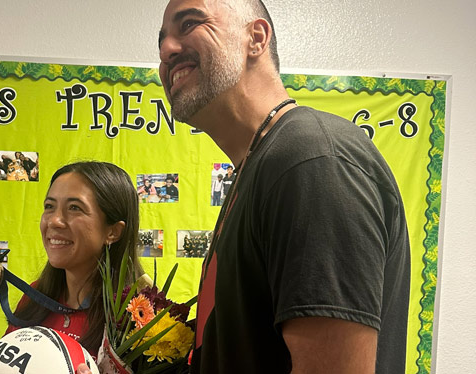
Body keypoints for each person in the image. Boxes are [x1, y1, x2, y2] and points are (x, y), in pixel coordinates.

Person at [158, 1, 411, 373]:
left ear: (256, 38)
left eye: (190, 23)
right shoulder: (259, 166)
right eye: (161, 41)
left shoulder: (311, 160)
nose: (166, 50)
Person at [0, 161, 144, 372]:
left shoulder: (138, 317)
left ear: (113, 232)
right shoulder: (36, 295)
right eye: (49, 206)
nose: (54, 220)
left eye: (75, 208)